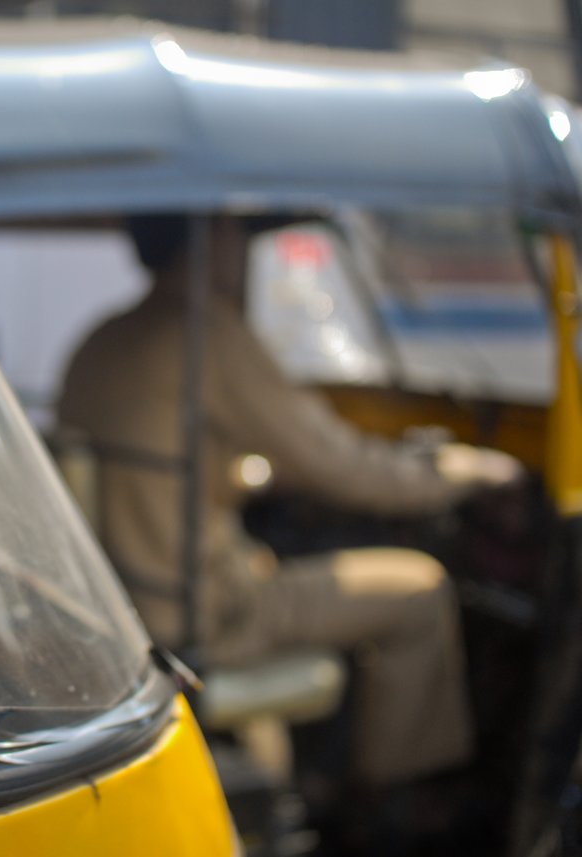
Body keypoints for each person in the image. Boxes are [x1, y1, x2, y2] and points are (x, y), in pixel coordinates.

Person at [57, 213, 521, 794]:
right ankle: (396, 807)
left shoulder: (104, 338)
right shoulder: (208, 334)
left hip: (128, 602)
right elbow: (342, 467)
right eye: (237, 235)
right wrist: (454, 475)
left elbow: (162, 468)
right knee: (421, 590)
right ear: (212, 240)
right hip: (211, 613)